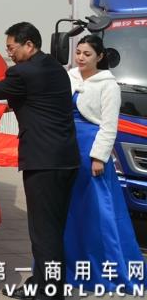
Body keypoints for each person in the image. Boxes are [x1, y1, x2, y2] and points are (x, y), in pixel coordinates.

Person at [0, 22, 79, 300]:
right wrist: (3, 103)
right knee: (53, 229)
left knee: (43, 232)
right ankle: (40, 285)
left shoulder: (22, 72)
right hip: (66, 159)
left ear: (29, 45)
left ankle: (49, 293)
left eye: (12, 48)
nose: (9, 53)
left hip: (43, 162)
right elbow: (38, 99)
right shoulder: (55, 69)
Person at [63, 35, 144, 292]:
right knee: (68, 211)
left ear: (99, 57)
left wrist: (99, 156)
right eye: (78, 52)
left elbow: (110, 125)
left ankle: (106, 270)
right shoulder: (68, 76)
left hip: (91, 152)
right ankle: (67, 268)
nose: (81, 58)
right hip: (65, 149)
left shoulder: (109, 84)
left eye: (87, 54)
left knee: (99, 214)